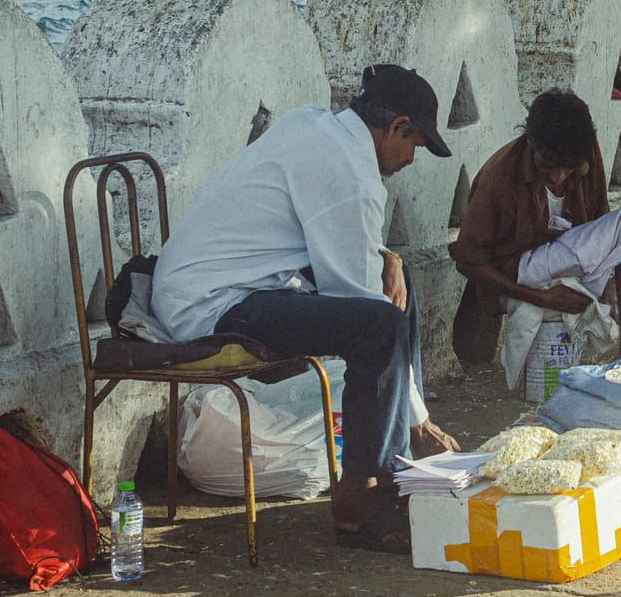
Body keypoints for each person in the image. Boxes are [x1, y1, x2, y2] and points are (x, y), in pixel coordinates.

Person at [151, 64, 459, 553]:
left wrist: (388, 257)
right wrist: (419, 418)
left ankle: (401, 461)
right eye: (415, 144)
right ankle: (361, 499)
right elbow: (359, 297)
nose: (411, 160)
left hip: (225, 282)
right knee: (377, 325)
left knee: (397, 288)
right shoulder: (349, 173)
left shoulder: (314, 124)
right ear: (397, 126)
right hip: (214, 303)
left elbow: (349, 257)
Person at [450, 89, 621, 360]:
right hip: (528, 271)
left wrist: (607, 281)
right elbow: (468, 261)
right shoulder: (498, 177)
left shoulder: (584, 149)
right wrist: (539, 298)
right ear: (530, 142)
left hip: (574, 259)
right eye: (547, 165)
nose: (557, 177)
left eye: (567, 168)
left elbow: (602, 221)